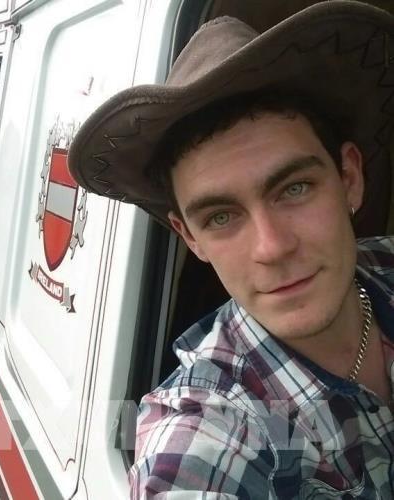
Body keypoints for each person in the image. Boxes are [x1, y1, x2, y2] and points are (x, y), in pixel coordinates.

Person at [68, 2, 394, 498]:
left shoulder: (383, 266)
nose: (272, 247)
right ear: (190, 237)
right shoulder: (203, 434)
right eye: (221, 217)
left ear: (349, 178)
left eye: (295, 189)